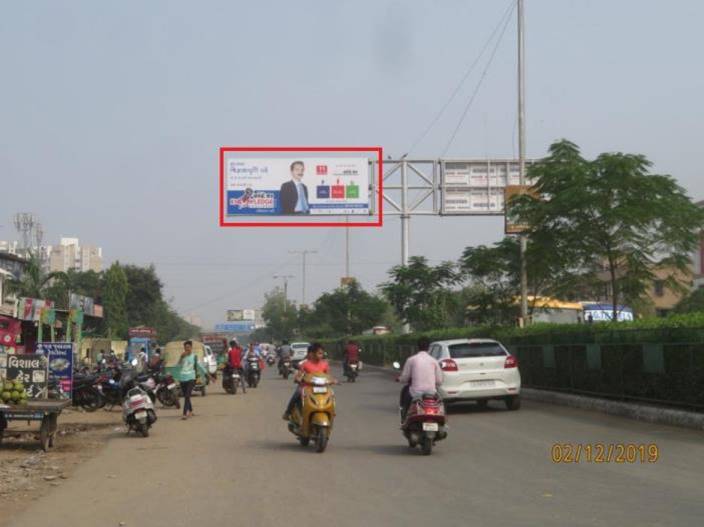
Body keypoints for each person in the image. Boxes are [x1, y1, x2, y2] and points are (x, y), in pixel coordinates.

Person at [282, 343, 336, 420]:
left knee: (331, 394)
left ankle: (331, 411)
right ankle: (288, 412)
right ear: (313, 353)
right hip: (306, 387)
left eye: (322, 353)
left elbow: (328, 376)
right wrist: (298, 378)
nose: (321, 355)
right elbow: (299, 375)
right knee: (296, 394)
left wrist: (333, 380)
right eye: (319, 353)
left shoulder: (325, 364)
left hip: (321, 387)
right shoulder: (305, 364)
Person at [398, 337, 443, 423]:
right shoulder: (434, 361)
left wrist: (400, 379)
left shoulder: (411, 360)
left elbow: (405, 377)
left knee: (405, 396)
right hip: (431, 393)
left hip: (415, 393)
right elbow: (439, 381)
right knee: (440, 401)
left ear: (417, 346)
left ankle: (404, 418)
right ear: (428, 347)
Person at [178, 340, 207, 420]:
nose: (187, 349)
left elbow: (200, 366)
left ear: (191, 348)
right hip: (182, 378)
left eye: (188, 347)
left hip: (191, 378)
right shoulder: (183, 356)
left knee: (187, 396)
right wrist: (181, 357)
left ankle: (184, 414)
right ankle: (190, 411)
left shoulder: (194, 356)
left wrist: (208, 375)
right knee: (186, 396)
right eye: (185, 347)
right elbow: (178, 365)